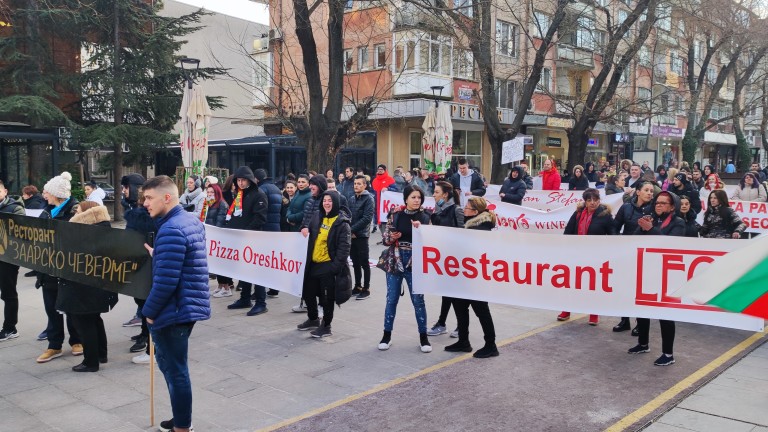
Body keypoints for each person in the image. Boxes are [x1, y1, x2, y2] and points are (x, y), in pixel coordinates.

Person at [141, 175, 210, 432]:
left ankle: (182, 427)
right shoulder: (187, 220)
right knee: (174, 369)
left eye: (149, 198)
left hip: (174, 310)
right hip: (184, 306)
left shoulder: (170, 229)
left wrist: (148, 313)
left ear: (167, 197)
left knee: (175, 372)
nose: (145, 203)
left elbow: (166, 282)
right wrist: (159, 253)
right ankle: (181, 418)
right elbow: (183, 260)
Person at [56, 201, 118, 372]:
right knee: (94, 319)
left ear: (86, 214)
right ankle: (100, 354)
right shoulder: (101, 229)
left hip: (82, 285)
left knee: (84, 322)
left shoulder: (83, 232)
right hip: (96, 285)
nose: (75, 212)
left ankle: (90, 362)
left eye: (78, 210)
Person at [629, 191, 685, 366]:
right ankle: (643, 343)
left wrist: (650, 229)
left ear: (672, 206)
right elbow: (634, 240)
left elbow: (671, 245)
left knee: (665, 314)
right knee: (643, 309)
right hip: (648, 269)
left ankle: (668, 354)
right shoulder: (652, 219)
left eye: (663, 203)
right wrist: (642, 227)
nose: (658, 205)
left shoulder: (678, 223)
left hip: (668, 273)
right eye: (657, 202)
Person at [378, 185, 432, 353]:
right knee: (391, 299)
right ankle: (386, 335)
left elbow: (430, 241)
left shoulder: (425, 217)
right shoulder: (395, 215)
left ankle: (423, 338)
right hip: (395, 261)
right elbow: (385, 238)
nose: (417, 200)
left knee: (418, 301)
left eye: (419, 198)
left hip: (415, 264)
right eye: (413, 197)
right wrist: (391, 237)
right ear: (406, 199)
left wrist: (421, 230)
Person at [36, 172, 83, 363]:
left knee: (71, 307)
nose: (44, 195)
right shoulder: (46, 210)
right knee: (51, 308)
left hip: (68, 269)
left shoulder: (75, 210)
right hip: (48, 269)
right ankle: (54, 345)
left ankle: (77, 341)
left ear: (56, 193)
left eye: (47, 192)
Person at [446, 196, 499, 358]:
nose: (464, 210)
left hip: (476, 278)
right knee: (460, 307)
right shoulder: (472, 227)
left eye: (467, 208)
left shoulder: (480, 230)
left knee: (482, 311)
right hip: (466, 276)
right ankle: (463, 341)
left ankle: (491, 345)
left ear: (475, 212)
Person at [295, 191, 352, 337]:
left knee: (326, 298)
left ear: (336, 203)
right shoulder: (317, 215)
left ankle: (326, 326)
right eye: (325, 200)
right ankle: (313, 318)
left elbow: (344, 248)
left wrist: (334, 268)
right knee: (308, 292)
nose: (326, 203)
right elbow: (309, 229)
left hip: (328, 266)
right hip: (313, 263)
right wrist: (304, 228)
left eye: (330, 201)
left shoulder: (341, 223)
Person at [557, 188, 616, 325]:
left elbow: (613, 233)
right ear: (585, 201)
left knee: (592, 285)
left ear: (599, 200)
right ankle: (566, 311)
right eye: (589, 200)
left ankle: (593, 314)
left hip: (595, 256)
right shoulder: (578, 214)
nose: (593, 203)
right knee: (571, 284)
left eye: (595, 200)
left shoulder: (605, 215)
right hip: (576, 254)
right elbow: (568, 231)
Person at [120, 173, 157, 364]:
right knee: (140, 300)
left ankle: (150, 341)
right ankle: (144, 333)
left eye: (126, 187)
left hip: (146, 263)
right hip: (138, 261)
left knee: (147, 302)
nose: (123, 191)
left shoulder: (144, 214)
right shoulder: (133, 210)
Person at [225, 167, 269, 316]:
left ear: (250, 180)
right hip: (240, 238)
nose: (241, 183)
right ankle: (245, 298)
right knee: (244, 270)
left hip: (253, 238)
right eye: (238, 180)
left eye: (243, 180)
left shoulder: (258, 194)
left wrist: (246, 231)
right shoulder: (239, 194)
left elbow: (260, 218)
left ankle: (261, 302)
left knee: (257, 272)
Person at [611, 181, 655, 334]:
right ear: (638, 192)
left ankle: (640, 324)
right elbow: (615, 227)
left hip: (646, 255)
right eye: (646, 190)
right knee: (624, 288)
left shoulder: (654, 209)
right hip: (627, 253)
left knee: (641, 291)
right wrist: (617, 241)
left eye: (651, 191)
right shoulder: (626, 207)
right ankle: (624, 320)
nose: (650, 193)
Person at [426, 181, 465, 338]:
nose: (433, 195)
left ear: (445, 194)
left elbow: (464, 235)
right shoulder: (438, 210)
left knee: (456, 294)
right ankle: (442, 323)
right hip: (443, 258)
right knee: (447, 292)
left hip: (456, 259)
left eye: (436, 192)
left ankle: (461, 326)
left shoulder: (457, 210)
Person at [293, 175, 330, 313]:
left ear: (319, 185)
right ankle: (306, 302)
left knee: (319, 277)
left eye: (312, 184)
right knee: (306, 276)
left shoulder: (326, 201)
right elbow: (305, 219)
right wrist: (302, 227)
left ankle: (322, 305)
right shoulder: (309, 200)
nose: (310, 187)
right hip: (306, 243)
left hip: (320, 244)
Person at [0, 180, 25, 342]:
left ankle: (10, 327)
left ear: (5, 191)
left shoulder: (15, 208)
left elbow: (22, 231)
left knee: (8, 293)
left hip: (7, 258)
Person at [254, 169, 284, 298]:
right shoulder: (276, 189)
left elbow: (261, 211)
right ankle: (274, 288)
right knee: (273, 260)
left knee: (263, 261)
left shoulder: (261, 190)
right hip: (275, 228)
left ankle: (260, 290)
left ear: (257, 179)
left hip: (265, 229)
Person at [349, 175, 375, 300]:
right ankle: (357, 286)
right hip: (352, 235)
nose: (356, 186)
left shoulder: (369, 199)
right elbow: (348, 215)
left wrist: (352, 229)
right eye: (355, 183)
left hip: (362, 235)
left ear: (365, 185)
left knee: (364, 262)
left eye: (359, 184)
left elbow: (367, 218)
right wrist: (350, 230)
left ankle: (366, 288)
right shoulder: (352, 198)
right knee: (355, 262)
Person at [372, 164, 395, 229]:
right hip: (377, 205)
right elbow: (372, 192)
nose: (379, 171)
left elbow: (396, 190)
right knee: (381, 226)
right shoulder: (375, 180)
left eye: (381, 169)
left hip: (386, 206)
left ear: (385, 170)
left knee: (385, 227)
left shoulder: (390, 179)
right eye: (378, 169)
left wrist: (388, 189)